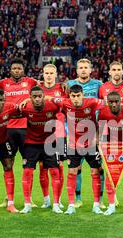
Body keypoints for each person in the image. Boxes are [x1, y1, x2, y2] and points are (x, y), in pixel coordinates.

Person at [54, 84, 104, 215]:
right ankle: (71, 205)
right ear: (69, 96)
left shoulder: (92, 102)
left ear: (83, 95)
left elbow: (110, 102)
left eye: (78, 96)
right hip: (73, 145)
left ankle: (96, 205)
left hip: (91, 144)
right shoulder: (65, 103)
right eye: (73, 96)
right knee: (72, 172)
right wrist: (26, 100)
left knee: (95, 172)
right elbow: (49, 98)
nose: (75, 99)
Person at [0, 58, 39, 209]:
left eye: (19, 68)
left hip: (26, 128)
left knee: (28, 165)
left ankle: (30, 198)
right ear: (10, 70)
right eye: (14, 68)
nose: (16, 70)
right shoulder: (3, 84)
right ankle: (8, 198)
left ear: (23, 70)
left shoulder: (31, 82)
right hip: (8, 128)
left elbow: (45, 88)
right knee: (8, 163)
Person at [67, 59, 105, 209]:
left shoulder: (98, 85)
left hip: (94, 133)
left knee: (98, 168)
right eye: (80, 67)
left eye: (86, 67)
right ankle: (78, 198)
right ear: (77, 70)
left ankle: (100, 200)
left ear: (91, 70)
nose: (83, 70)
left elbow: (105, 103)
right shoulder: (69, 85)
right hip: (75, 134)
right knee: (76, 168)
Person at [19, 86, 63, 215]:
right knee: (27, 172)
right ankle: (27, 204)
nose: (37, 99)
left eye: (40, 96)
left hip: (50, 143)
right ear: (30, 98)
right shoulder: (25, 107)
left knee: (55, 171)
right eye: (34, 97)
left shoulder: (53, 106)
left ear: (43, 96)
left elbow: (66, 102)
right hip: (31, 144)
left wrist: (54, 98)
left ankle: (55, 204)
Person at [39, 64, 68, 209]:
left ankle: (58, 198)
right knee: (42, 167)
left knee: (59, 167)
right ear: (42, 74)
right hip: (40, 133)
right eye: (46, 73)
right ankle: (46, 200)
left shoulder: (62, 89)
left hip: (59, 133)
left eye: (51, 73)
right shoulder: (37, 88)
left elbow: (69, 104)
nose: (49, 75)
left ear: (56, 74)